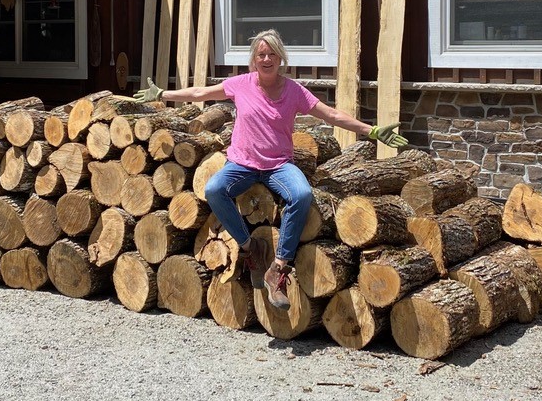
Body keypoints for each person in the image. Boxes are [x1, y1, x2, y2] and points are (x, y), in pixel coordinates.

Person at [123, 28, 408, 310]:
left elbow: (331, 114)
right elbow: (200, 92)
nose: (267, 59)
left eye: (272, 54)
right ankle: (251, 248)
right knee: (214, 189)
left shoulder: (294, 91)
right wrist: (163, 93)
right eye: (261, 54)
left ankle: (278, 268)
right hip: (242, 164)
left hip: (278, 165)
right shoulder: (241, 84)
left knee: (302, 194)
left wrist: (371, 131)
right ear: (254, 59)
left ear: (280, 58)